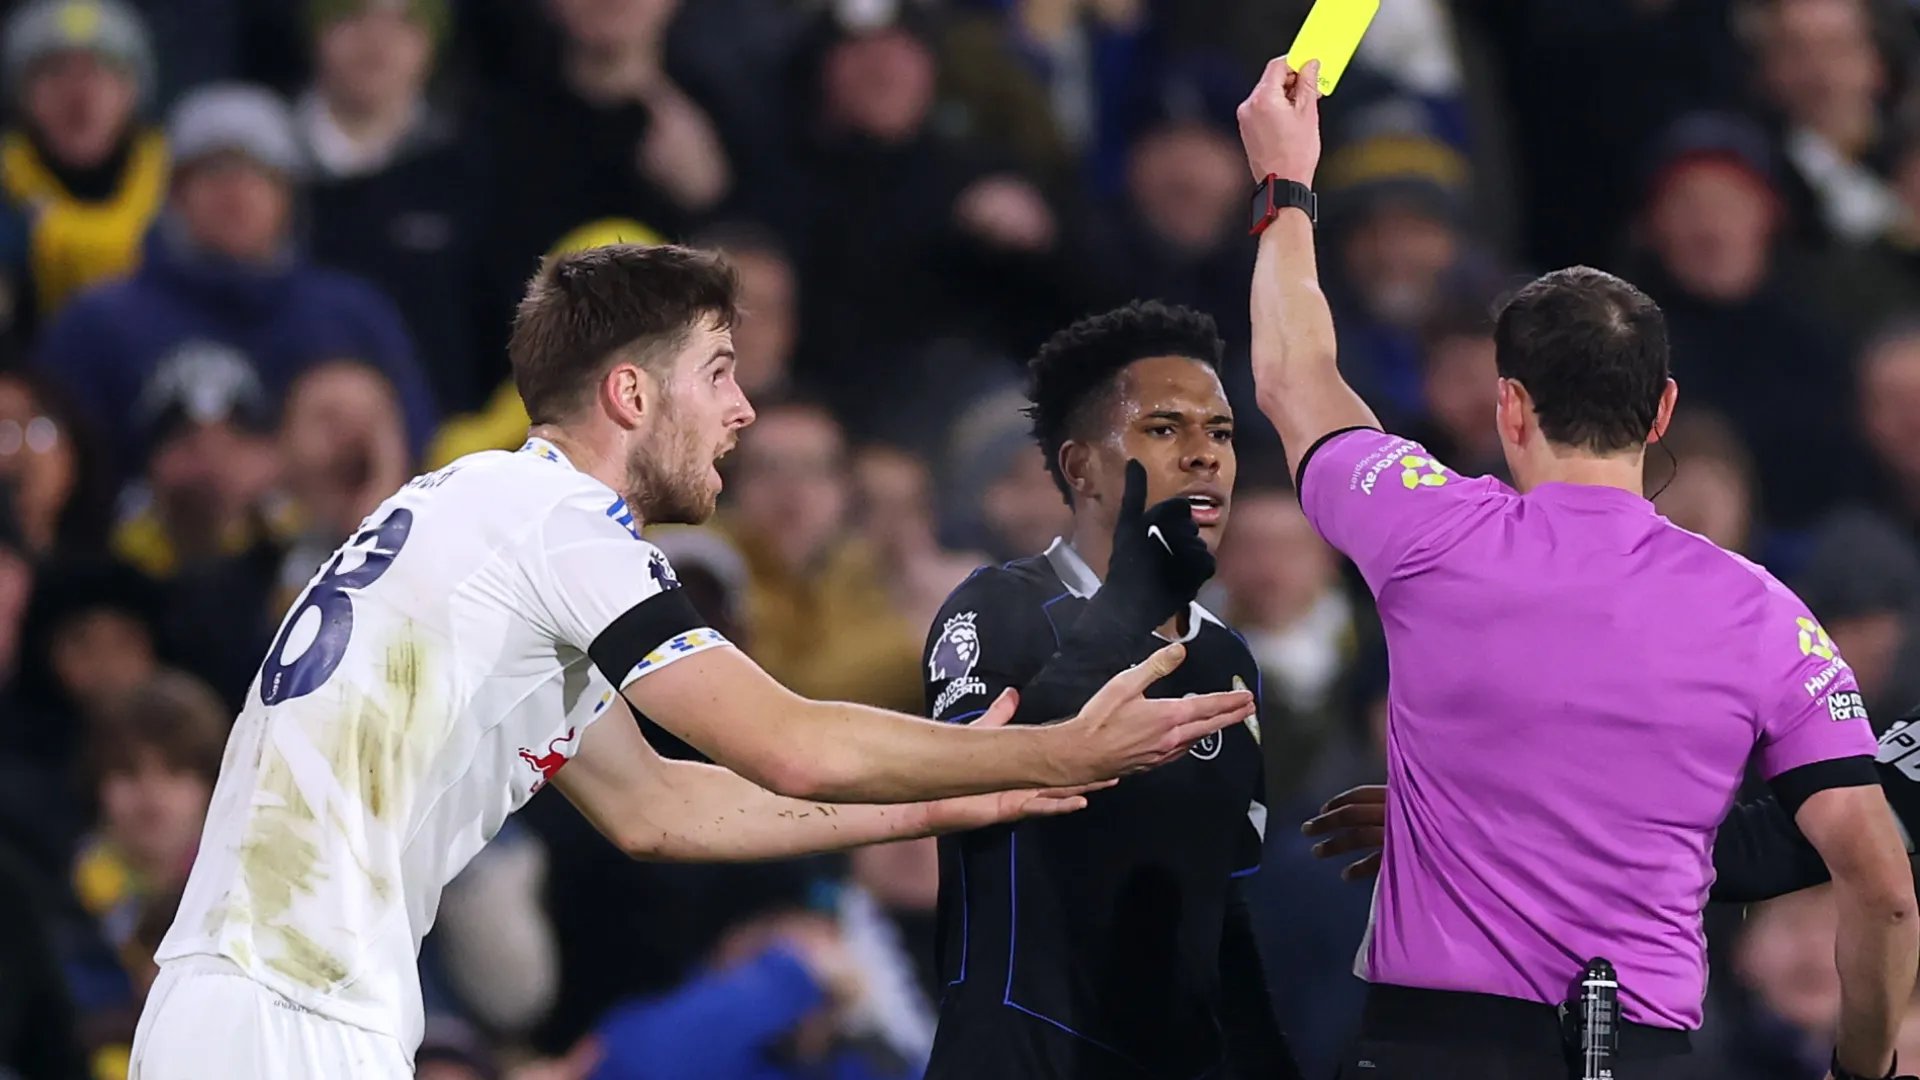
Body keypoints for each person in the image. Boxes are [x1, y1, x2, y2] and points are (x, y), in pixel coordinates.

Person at [127, 242, 1254, 1080]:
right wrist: (1056, 754)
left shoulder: (477, 513)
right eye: (718, 372)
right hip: (287, 1021)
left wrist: (957, 795)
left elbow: (660, 805)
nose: (743, 408)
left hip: (259, 1006)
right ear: (630, 393)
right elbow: (788, 746)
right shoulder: (562, 526)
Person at [1236, 56, 1918, 1080]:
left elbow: (1296, 375)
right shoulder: (1762, 612)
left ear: (1509, 408)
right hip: (1637, 1056)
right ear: (1662, 414)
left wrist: (1286, 187)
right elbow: (1881, 882)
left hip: (1431, 1052)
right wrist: (1864, 1067)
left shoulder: (1426, 531)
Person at [920, 300, 1297, 1080]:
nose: (1205, 457)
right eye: (1164, 429)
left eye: (1220, 433)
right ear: (1080, 466)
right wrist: (1132, 597)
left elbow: (1216, 906)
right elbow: (979, 779)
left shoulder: (1226, 657)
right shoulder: (998, 610)